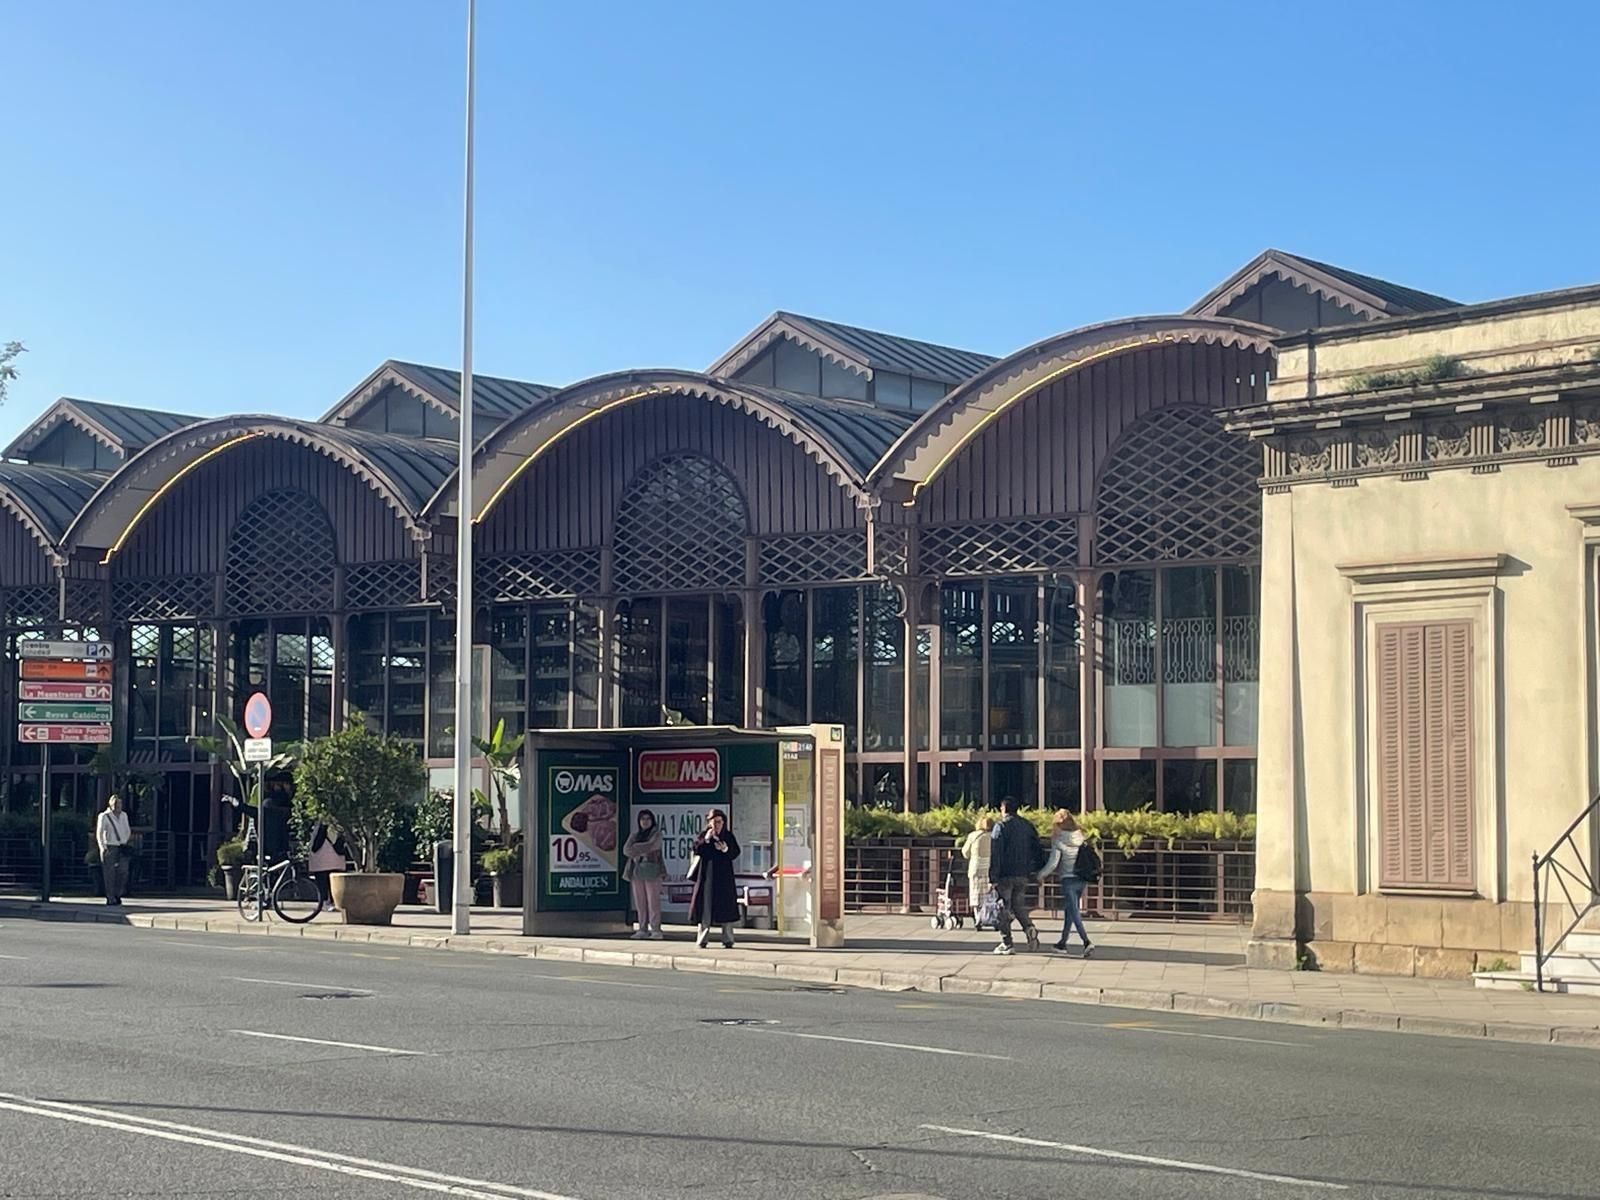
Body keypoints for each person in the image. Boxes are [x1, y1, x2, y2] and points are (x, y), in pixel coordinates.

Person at [988, 796, 1042, 955]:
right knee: (1018, 905)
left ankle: (1007, 942)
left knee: (1002, 908)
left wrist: (993, 876)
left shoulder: (1001, 827)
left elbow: (996, 852)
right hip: (1022, 872)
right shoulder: (1027, 826)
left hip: (1005, 873)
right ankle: (1029, 928)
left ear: (1003, 809)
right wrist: (1034, 869)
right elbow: (1037, 848)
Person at [1038, 808, 1093, 957]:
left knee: (1074, 912)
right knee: (1069, 911)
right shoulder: (1080, 836)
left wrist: (1040, 875)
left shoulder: (1059, 840)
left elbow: (1053, 863)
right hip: (1081, 878)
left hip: (1068, 879)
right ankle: (1062, 942)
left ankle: (1086, 941)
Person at [689, 808, 741, 948]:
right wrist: (706, 840)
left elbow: (735, 852)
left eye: (719, 822)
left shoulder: (728, 836)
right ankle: (702, 939)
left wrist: (725, 849)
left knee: (725, 907)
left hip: (724, 877)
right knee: (706, 906)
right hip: (707, 875)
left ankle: (728, 939)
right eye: (714, 822)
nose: (717, 825)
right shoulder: (704, 835)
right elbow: (696, 849)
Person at [622, 808, 666, 940]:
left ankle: (656, 929)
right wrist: (640, 850)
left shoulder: (657, 834)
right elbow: (626, 850)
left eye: (648, 819)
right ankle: (642, 928)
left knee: (653, 901)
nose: (645, 822)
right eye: (642, 819)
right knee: (640, 901)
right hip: (637, 870)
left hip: (652, 869)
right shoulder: (635, 835)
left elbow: (653, 845)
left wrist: (636, 848)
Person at [96, 793, 131, 907]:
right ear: (111, 805)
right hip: (110, 845)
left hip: (122, 846)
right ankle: (110, 897)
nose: (118, 806)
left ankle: (118, 893)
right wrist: (103, 847)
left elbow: (127, 829)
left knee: (123, 871)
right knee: (109, 873)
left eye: (119, 804)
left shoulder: (124, 815)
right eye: (115, 804)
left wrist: (125, 840)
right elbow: (100, 832)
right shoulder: (104, 816)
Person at [306, 821, 349, 911]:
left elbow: (316, 844)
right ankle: (333, 902)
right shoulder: (338, 826)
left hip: (320, 860)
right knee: (333, 883)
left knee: (322, 883)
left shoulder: (321, 825)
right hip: (336, 859)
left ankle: (325, 902)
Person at [960, 815, 994, 917]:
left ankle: (978, 916)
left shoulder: (973, 836)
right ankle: (989, 915)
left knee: (976, 894)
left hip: (976, 868)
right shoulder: (994, 836)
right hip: (990, 868)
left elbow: (965, 853)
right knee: (989, 894)